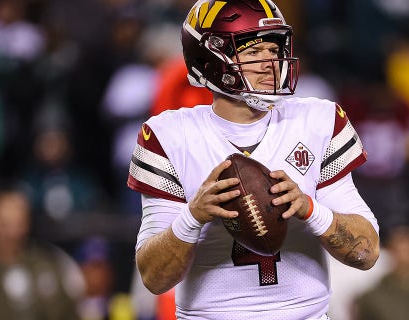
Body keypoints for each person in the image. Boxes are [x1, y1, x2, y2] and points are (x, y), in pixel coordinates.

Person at [126, 1, 380, 319]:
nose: (270, 63)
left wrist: (309, 209)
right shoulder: (170, 136)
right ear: (211, 59)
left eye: (274, 50)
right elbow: (154, 278)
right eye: (252, 52)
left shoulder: (317, 121)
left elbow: (366, 252)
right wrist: (193, 217)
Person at [0, 182, 84, 320]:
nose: (12, 233)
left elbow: (68, 312)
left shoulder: (45, 264)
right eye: (4, 224)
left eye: (18, 223)